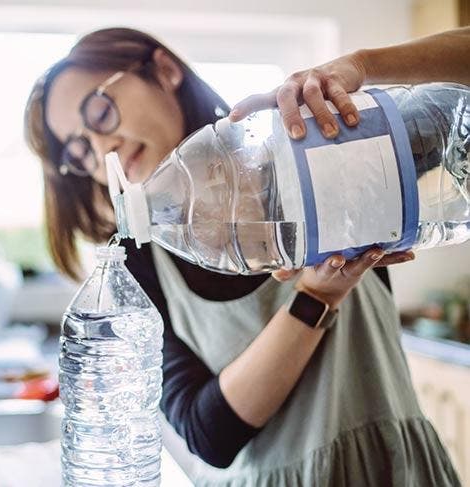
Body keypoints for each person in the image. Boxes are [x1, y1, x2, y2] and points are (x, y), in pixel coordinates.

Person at [24, 27, 464, 485]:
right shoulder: (139, 265)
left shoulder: (306, 148)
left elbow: (457, 117)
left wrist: (362, 66)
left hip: (395, 469)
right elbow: (208, 433)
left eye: (98, 111)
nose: (100, 148)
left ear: (164, 70)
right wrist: (315, 296)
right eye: (79, 147)